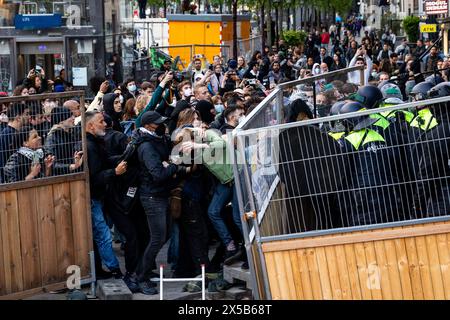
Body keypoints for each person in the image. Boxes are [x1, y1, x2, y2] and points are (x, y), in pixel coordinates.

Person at [133, 111, 189, 294]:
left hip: (160, 194)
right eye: (158, 123)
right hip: (152, 196)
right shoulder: (147, 147)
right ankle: (141, 277)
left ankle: (144, 270)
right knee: (158, 238)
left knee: (162, 237)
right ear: (149, 126)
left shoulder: (156, 140)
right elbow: (158, 174)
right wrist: (175, 164)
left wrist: (170, 164)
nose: (162, 126)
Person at [85, 111, 126, 279]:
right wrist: (115, 172)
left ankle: (102, 270)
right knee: (103, 234)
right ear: (90, 126)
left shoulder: (96, 142)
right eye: (101, 121)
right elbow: (94, 177)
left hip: (99, 197)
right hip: (93, 197)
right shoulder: (90, 146)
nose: (105, 124)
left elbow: (105, 161)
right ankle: (115, 270)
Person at [44, 106, 83, 176]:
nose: (73, 118)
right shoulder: (51, 138)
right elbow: (52, 163)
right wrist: (71, 166)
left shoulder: (72, 132)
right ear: (61, 122)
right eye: (69, 116)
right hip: (61, 177)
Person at [0, 103, 30, 183]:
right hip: (10, 180)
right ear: (18, 117)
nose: (29, 117)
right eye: (26, 114)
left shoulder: (11, 132)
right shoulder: (8, 134)